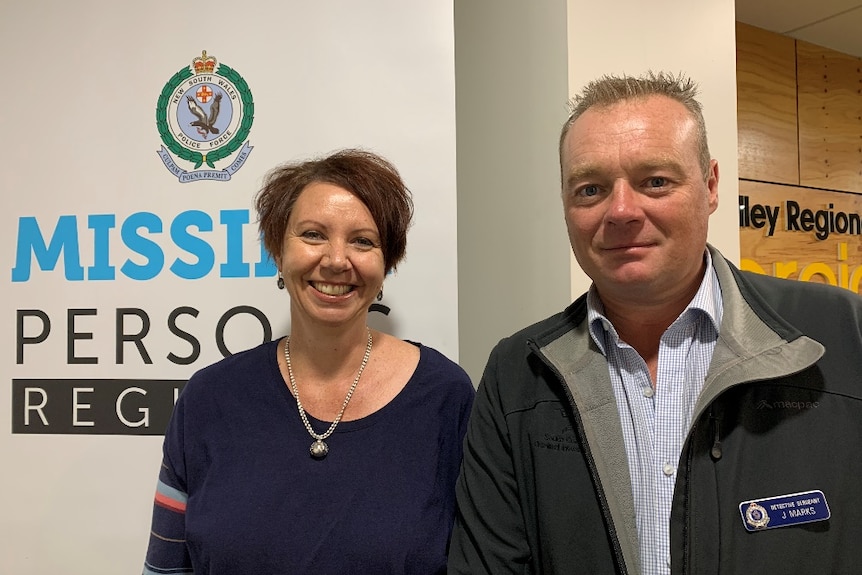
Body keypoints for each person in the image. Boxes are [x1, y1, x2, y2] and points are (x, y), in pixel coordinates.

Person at [448, 71, 862, 575]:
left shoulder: (843, 336)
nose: (621, 210)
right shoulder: (517, 375)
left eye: (656, 182)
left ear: (710, 186)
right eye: (590, 189)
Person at [143, 148, 475, 574]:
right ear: (277, 251)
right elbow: (165, 569)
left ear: (387, 263)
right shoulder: (209, 399)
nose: (337, 260)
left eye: (362, 241)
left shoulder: (445, 397)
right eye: (313, 234)